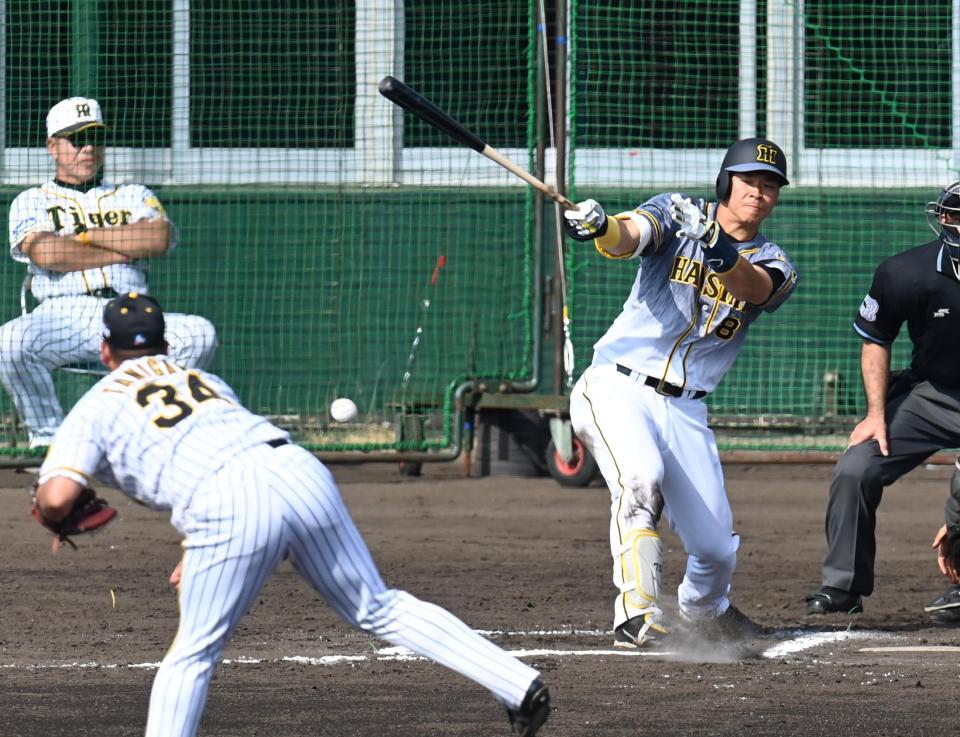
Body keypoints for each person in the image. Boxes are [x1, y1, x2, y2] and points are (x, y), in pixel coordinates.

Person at [32, 292, 551, 737]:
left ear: (104, 350)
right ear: (166, 344)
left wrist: (51, 512)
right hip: (296, 468)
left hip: (225, 501)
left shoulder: (96, 405)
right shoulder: (202, 380)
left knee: (193, 654)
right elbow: (222, 446)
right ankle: (518, 684)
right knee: (378, 606)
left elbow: (57, 497)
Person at [561, 137, 797, 648]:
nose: (758, 192)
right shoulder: (677, 211)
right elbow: (630, 235)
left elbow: (752, 289)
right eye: (749, 180)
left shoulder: (776, 261)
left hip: (685, 409)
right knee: (641, 478)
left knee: (715, 548)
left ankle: (704, 609)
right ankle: (635, 613)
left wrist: (718, 249)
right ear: (725, 181)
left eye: (770, 185)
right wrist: (603, 226)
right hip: (617, 385)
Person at [0, 96, 217, 450]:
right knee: (8, 342)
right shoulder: (31, 200)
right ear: (52, 146)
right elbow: (48, 252)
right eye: (77, 138)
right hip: (62, 315)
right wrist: (123, 248)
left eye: (95, 137)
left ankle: (143, 439)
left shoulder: (133, 193)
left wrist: (83, 237)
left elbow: (158, 237)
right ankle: (49, 441)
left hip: (130, 312)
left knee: (199, 334)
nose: (89, 147)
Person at [806, 181, 960, 624]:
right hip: (932, 393)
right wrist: (876, 415)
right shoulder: (905, 272)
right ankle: (842, 588)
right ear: (944, 219)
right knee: (857, 467)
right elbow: (877, 340)